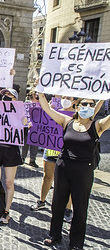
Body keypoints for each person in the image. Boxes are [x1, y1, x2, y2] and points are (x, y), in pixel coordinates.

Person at [41, 94, 108, 250]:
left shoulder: (97, 126)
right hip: (63, 166)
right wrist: (41, 91)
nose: (88, 107)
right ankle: (54, 235)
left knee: (80, 207)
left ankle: (76, 242)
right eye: (85, 103)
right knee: (58, 202)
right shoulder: (67, 121)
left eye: (91, 105)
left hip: (84, 170)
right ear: (77, 106)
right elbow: (47, 109)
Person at [30, 95, 76, 223]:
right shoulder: (54, 110)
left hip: (67, 153)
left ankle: (68, 208)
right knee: (47, 177)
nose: (65, 99)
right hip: (51, 150)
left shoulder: (77, 116)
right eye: (64, 97)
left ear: (74, 101)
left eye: (68, 97)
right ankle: (42, 201)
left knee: (68, 183)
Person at [0, 88, 23, 224]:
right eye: (4, 95)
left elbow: (24, 124)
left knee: (8, 182)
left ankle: (6, 211)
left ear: (15, 98)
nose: (6, 97)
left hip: (11, 150)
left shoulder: (20, 110)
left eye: (9, 95)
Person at [21, 90, 40, 168]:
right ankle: (22, 158)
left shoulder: (42, 104)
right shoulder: (27, 103)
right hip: (27, 126)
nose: (37, 95)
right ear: (32, 94)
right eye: (36, 93)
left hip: (37, 127)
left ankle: (32, 160)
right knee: (25, 143)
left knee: (35, 144)